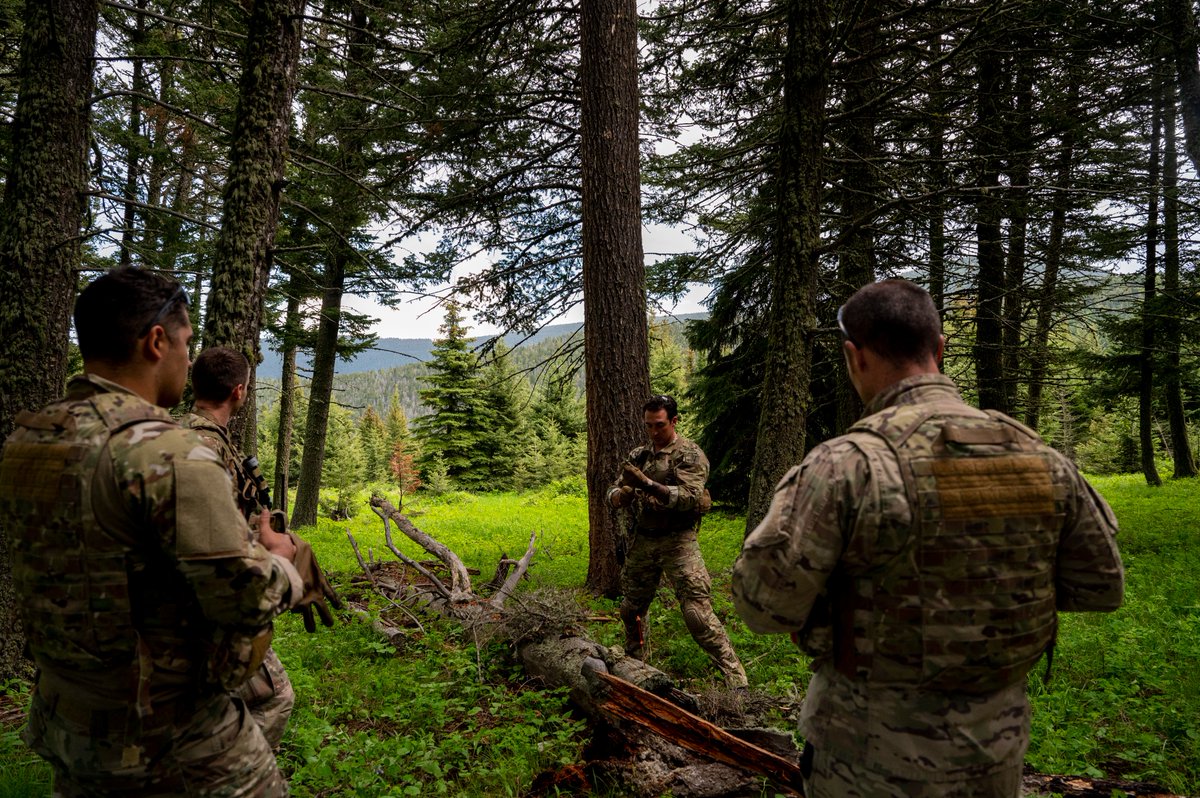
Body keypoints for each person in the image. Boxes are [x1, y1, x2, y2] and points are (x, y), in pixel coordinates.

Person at [732, 278, 1124, 797]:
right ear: (940, 348)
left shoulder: (846, 466)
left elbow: (763, 608)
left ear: (855, 357)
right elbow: (1101, 587)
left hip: (868, 759)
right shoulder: (1041, 458)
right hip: (996, 749)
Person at [0, 268, 305, 797]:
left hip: (67, 715)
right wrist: (281, 558)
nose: (190, 360)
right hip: (168, 735)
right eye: (186, 344)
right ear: (157, 341)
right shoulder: (165, 453)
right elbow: (245, 599)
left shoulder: (28, 439)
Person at [183, 346, 339, 749]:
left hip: (180, 609)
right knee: (273, 698)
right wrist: (279, 567)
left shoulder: (175, 434)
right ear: (240, 392)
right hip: (208, 610)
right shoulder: (207, 449)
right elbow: (214, 542)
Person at [608, 394, 748, 688]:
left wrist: (647, 484)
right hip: (644, 541)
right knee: (632, 609)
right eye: (648, 426)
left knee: (697, 613)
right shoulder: (640, 455)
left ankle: (735, 677)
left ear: (673, 421)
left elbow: (689, 497)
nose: (653, 432)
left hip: (679, 542)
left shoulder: (690, 455)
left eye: (659, 425)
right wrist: (622, 495)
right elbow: (615, 492)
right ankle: (636, 667)